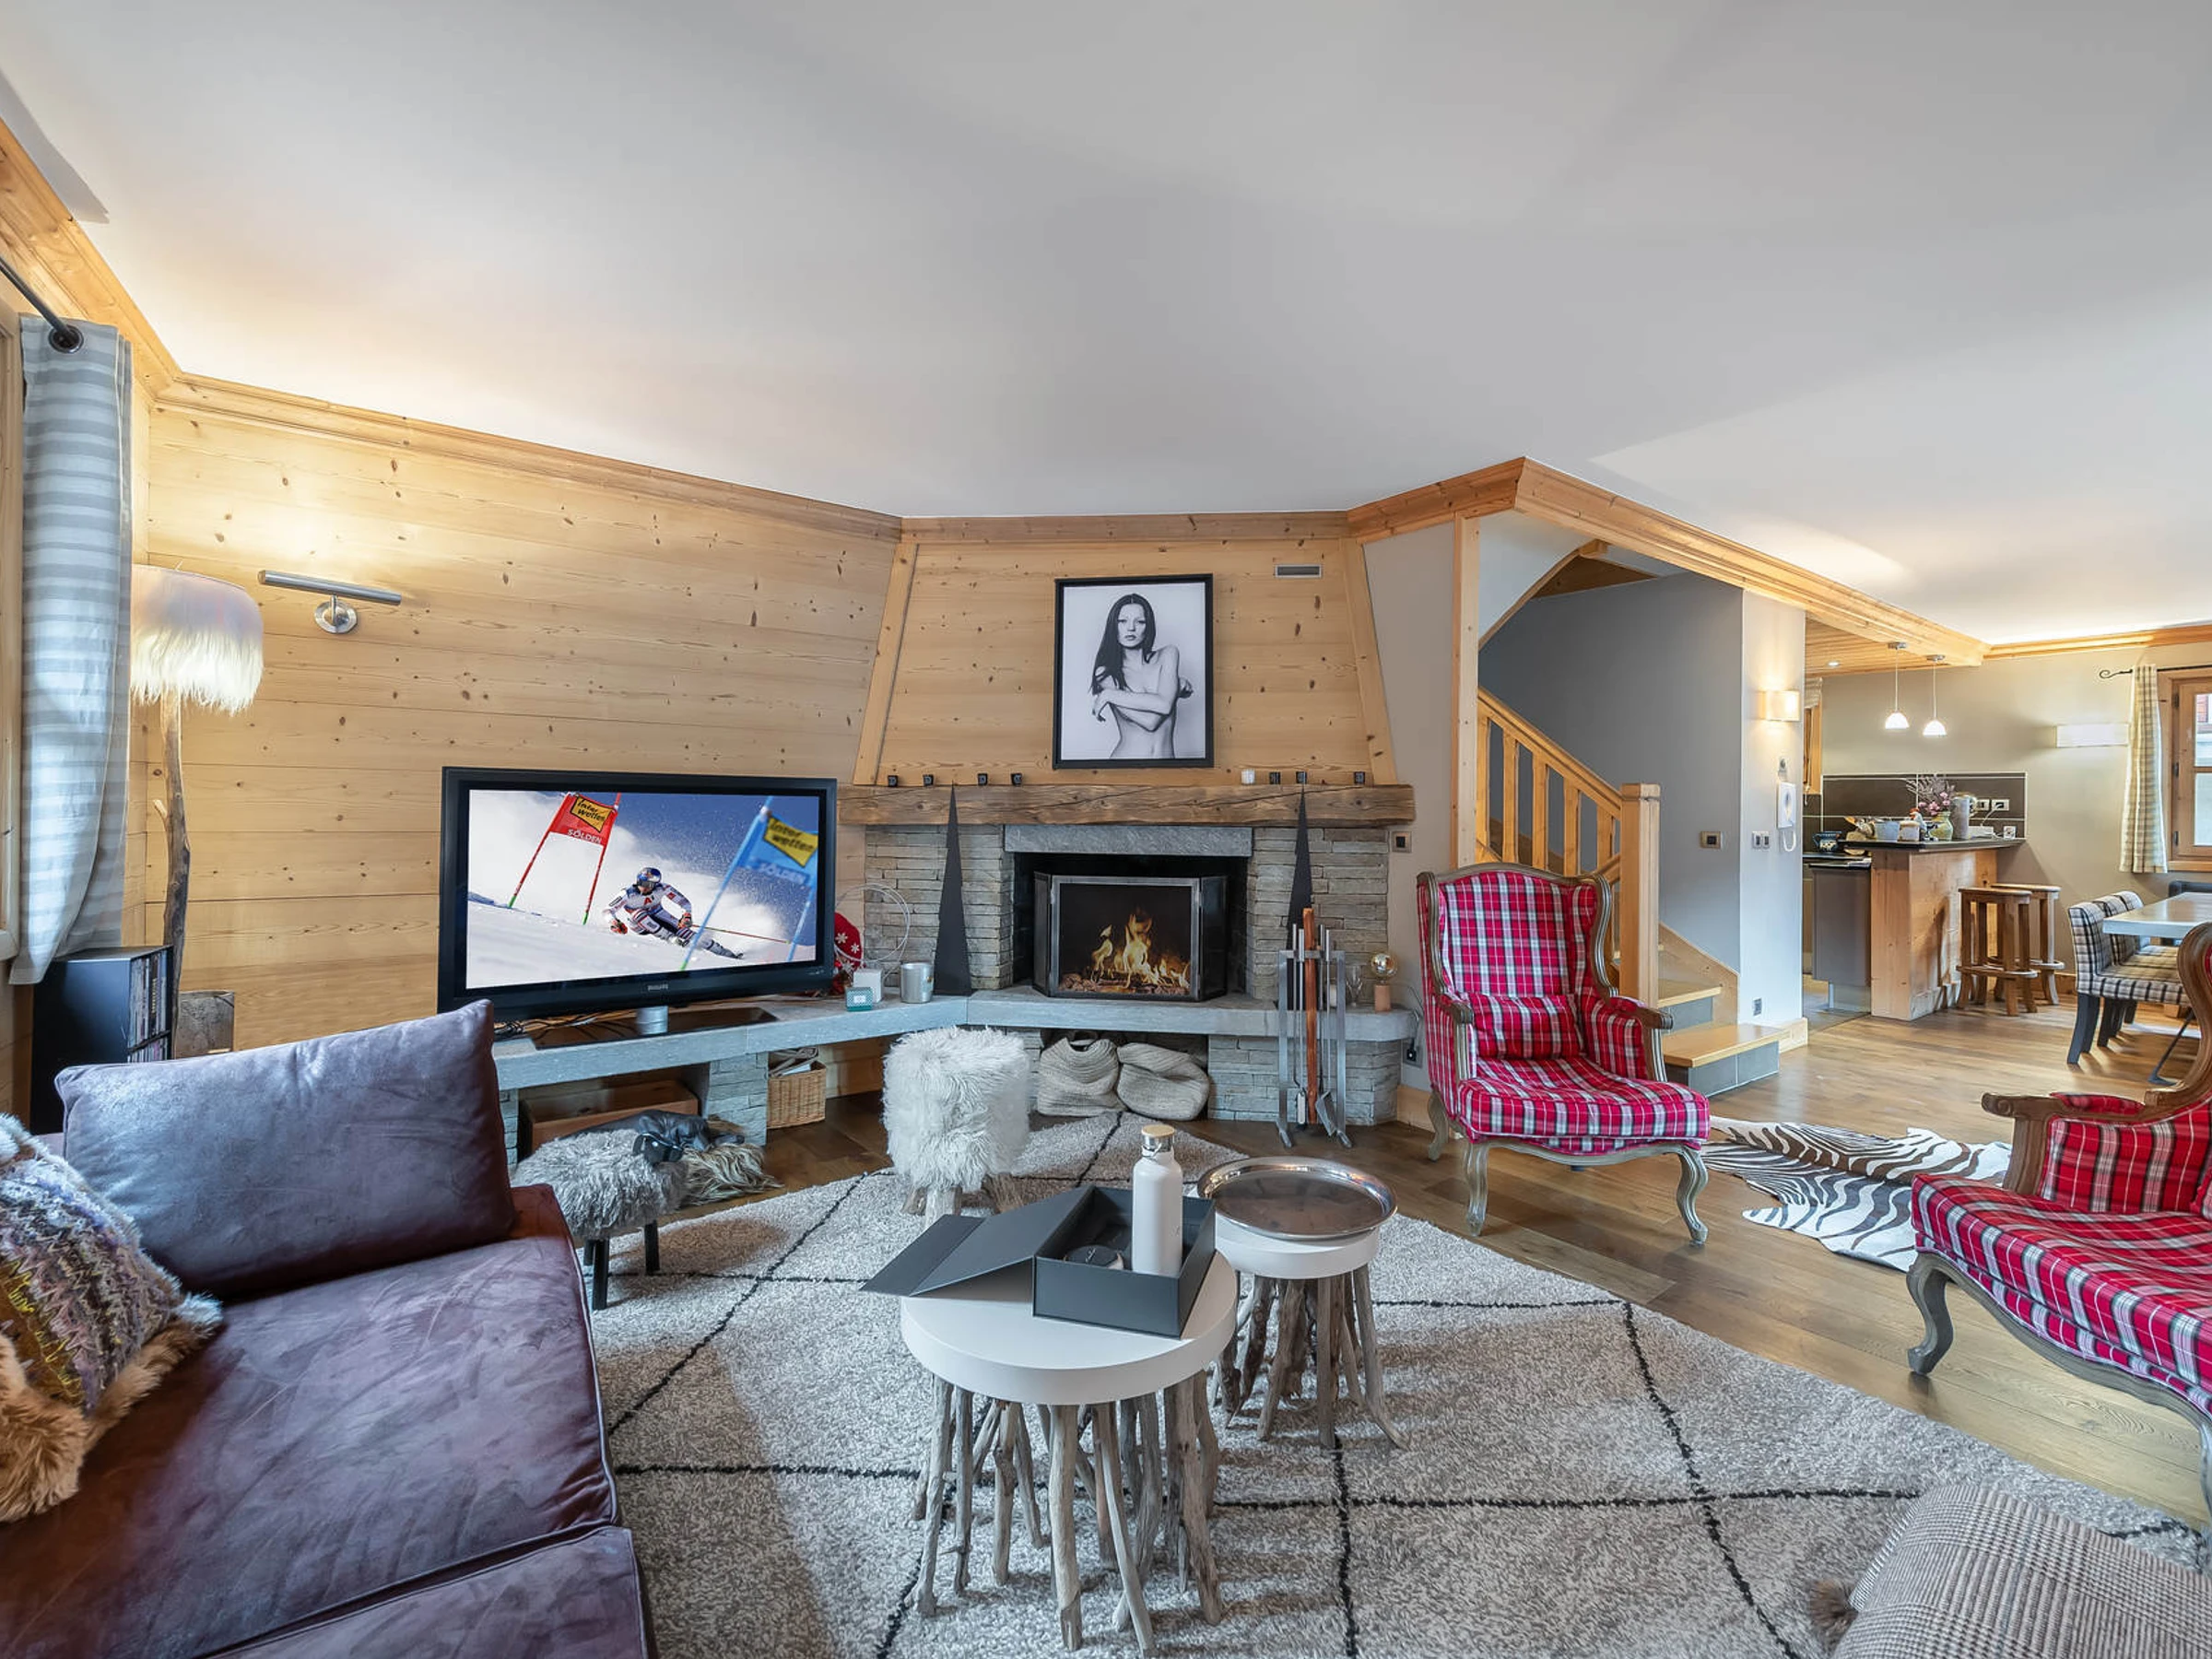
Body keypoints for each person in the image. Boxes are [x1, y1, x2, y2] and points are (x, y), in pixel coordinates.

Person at [1088, 592, 1193, 759]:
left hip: (1168, 766)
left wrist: (1109, 695)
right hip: (1124, 766)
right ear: (1113, 626)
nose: (1131, 628)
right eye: (1123, 621)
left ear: (1148, 626)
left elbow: (1165, 705)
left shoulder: (1168, 654)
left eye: (1140, 622)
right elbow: (1150, 722)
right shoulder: (1106, 673)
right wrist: (1174, 689)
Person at [606, 867, 737, 959]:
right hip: (638, 924)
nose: (644, 887)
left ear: (655, 885)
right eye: (641, 882)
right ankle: (669, 938)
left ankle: (725, 953)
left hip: (658, 915)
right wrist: (614, 922)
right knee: (638, 913)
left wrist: (686, 915)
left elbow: (684, 902)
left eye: (649, 885)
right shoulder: (627, 893)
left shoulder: (663, 888)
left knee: (687, 933)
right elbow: (608, 910)